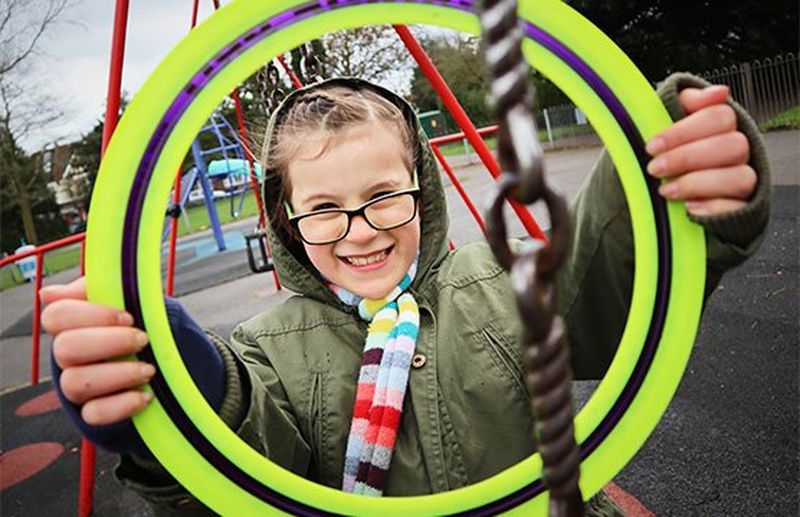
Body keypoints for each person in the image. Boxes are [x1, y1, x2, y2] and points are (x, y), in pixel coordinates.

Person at [41, 75, 769, 514]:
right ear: (286, 220)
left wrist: (659, 179)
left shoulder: (496, 283)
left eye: (384, 195)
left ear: (421, 190)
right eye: (323, 207)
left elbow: (601, 289)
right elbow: (254, 450)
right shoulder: (268, 346)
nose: (358, 229)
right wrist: (168, 381)